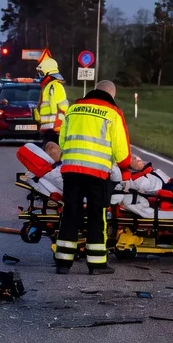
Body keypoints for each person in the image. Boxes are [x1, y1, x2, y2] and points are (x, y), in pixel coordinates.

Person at [55, 80, 132, 275]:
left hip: (71, 170)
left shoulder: (73, 109)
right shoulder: (113, 113)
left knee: (70, 212)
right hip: (97, 174)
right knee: (97, 215)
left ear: (94, 90)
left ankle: (63, 263)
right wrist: (124, 170)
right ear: (112, 95)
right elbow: (123, 153)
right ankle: (96, 264)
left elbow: (62, 142)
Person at [35, 56, 68, 143]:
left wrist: (57, 126)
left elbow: (62, 107)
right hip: (48, 129)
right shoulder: (47, 86)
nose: (39, 75)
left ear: (48, 72)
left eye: (41, 73)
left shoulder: (55, 86)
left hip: (54, 129)